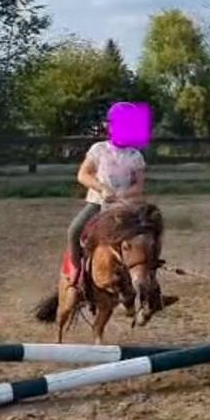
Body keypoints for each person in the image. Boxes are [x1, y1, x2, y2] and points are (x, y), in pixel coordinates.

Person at [66, 106, 147, 287]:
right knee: (74, 231)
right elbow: (83, 175)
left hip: (124, 206)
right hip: (97, 204)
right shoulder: (98, 150)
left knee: (146, 237)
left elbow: (138, 185)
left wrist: (122, 194)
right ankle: (77, 271)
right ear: (109, 126)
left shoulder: (135, 156)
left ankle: (149, 281)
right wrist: (102, 189)